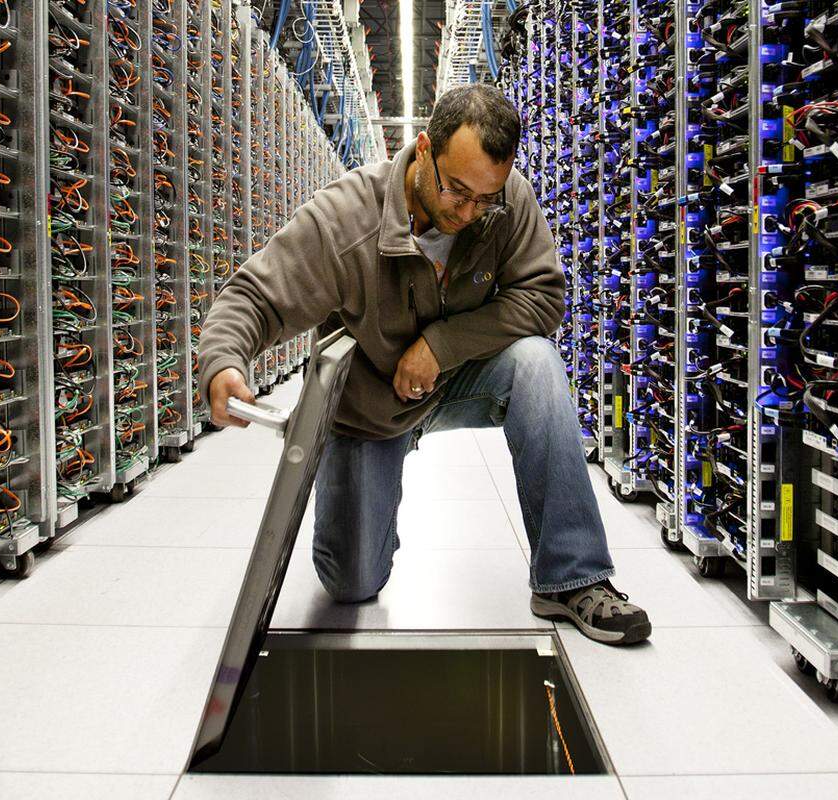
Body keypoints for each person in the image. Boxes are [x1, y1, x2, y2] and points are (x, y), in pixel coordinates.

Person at [198, 84, 650, 645]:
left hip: (459, 380)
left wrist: (443, 344)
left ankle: (572, 576)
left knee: (536, 364)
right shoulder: (346, 218)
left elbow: (543, 296)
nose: (469, 212)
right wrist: (224, 362)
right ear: (422, 150)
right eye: (457, 191)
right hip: (371, 405)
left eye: (486, 198)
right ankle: (371, 504)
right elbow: (255, 297)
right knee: (353, 581)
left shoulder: (505, 202)